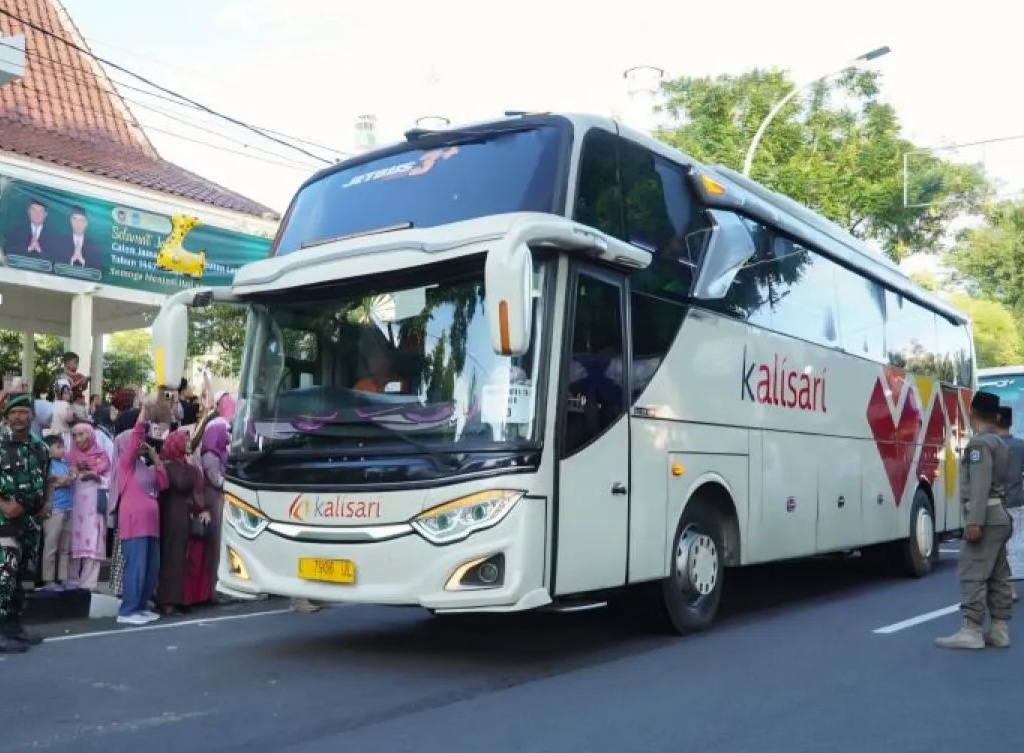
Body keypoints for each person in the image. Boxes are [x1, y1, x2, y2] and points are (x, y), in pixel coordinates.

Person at [936, 391, 1014, 650]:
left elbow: (980, 485)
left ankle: (971, 630)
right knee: (999, 574)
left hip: (986, 517)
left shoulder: (979, 445)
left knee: (973, 571)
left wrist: (974, 521)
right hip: (1001, 514)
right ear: (996, 416)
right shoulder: (1000, 442)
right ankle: (1000, 629)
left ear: (972, 414)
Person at [0, 393, 52, 653]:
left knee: (22, 579)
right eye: (14, 413)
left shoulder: (39, 447)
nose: (19, 417)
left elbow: (48, 477)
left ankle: (14, 627)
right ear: (6, 416)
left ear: (31, 416)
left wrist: (47, 503)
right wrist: (3, 504)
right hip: (4, 523)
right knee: (3, 578)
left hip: (31, 523)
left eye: (23, 412)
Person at [113, 403, 168, 626]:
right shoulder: (124, 464)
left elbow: (163, 483)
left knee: (150, 568)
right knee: (135, 567)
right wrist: (143, 416)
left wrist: (155, 457)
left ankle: (141, 606)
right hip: (134, 523)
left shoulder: (143, 467)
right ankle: (127, 610)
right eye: (139, 442)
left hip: (151, 525)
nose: (142, 443)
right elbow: (135, 437)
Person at [65, 423, 111, 591]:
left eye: (81, 434)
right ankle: (72, 580)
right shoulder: (69, 456)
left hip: (94, 505)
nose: (78, 439)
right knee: (72, 541)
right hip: (74, 505)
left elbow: (111, 480)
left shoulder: (102, 456)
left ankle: (89, 583)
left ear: (90, 435)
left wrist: (97, 478)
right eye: (75, 435)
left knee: (94, 540)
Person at [39, 435, 74, 590]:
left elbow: (69, 478)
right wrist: (64, 480)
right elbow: (54, 481)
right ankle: (48, 579)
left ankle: (63, 577)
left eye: (63, 447)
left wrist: (68, 478)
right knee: (51, 545)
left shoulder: (65, 464)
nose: (62, 450)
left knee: (65, 546)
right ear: (48, 450)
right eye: (58, 447)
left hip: (68, 508)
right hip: (54, 509)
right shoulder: (47, 465)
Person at [997, 405, 1024, 601]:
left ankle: (1008, 588)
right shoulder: (1021, 446)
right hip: (1017, 502)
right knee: (1015, 545)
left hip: (995, 503)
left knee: (999, 547)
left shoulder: (990, 446)